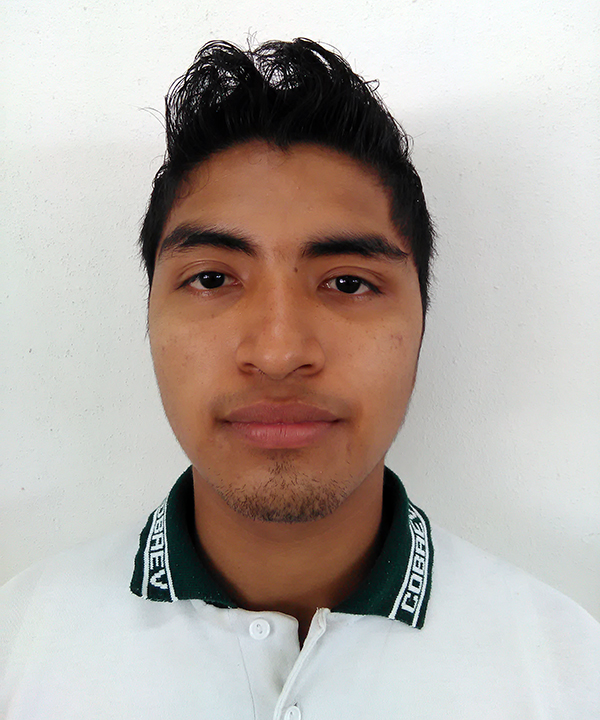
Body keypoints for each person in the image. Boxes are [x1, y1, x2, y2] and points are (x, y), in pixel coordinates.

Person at [1, 38, 598, 719]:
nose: (279, 353)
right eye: (212, 278)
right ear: (148, 314)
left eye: (347, 282)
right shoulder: (20, 647)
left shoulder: (566, 670)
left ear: (423, 320)